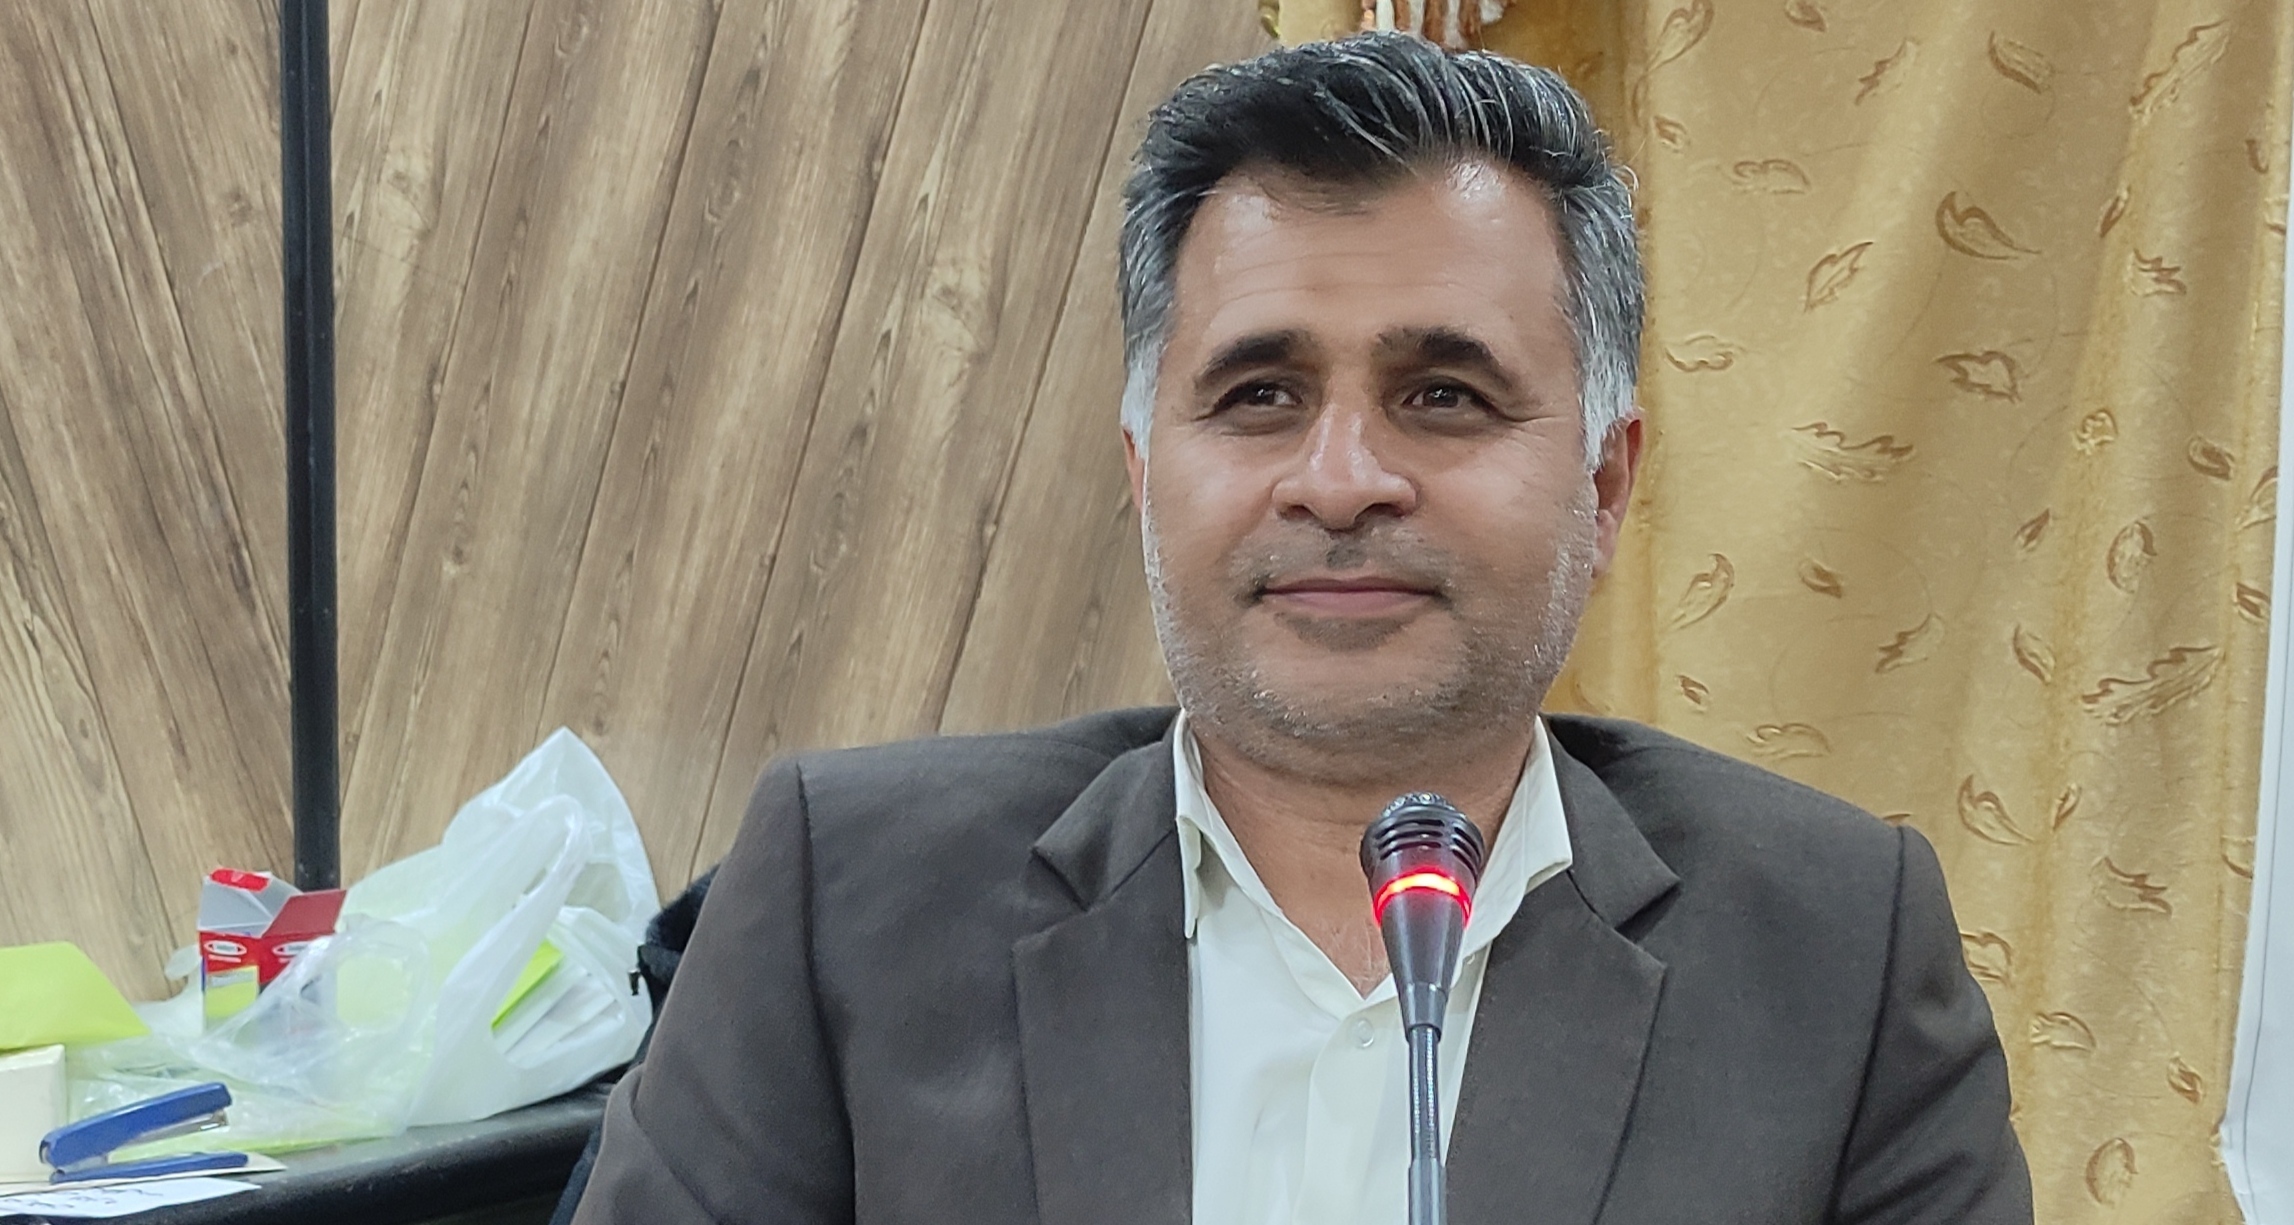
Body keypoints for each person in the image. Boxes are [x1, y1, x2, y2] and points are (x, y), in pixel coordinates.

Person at [571, 32, 2031, 1225]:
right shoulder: (846, 899)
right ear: (1146, 477)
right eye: (1259, 394)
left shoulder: (1835, 952)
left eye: (1443, 395)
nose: (1339, 480)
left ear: (1602, 486)